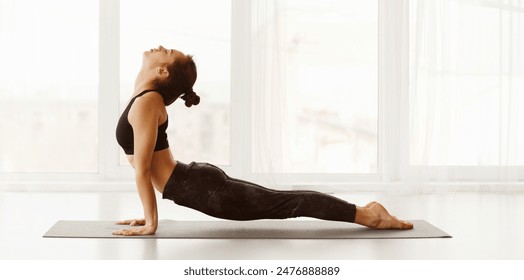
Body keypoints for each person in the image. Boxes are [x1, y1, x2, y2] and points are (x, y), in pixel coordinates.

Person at [113, 45, 413, 236]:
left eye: (166, 52)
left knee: (288, 203)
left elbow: (142, 169)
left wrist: (151, 223)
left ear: (162, 70)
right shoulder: (146, 99)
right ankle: (367, 211)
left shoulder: (147, 102)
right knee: (284, 200)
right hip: (196, 182)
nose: (161, 47)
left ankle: (370, 216)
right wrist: (147, 216)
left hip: (200, 188)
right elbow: (148, 167)